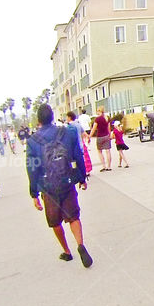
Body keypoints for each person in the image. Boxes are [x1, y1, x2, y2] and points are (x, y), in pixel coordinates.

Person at [26, 104, 92, 267]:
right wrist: (82, 177)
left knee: (55, 221)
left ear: (39, 120)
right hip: (67, 181)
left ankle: (67, 252)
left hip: (48, 187)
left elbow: (32, 167)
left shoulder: (33, 141)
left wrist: (34, 193)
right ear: (52, 116)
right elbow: (78, 154)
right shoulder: (66, 132)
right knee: (73, 216)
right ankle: (80, 245)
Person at [66, 111, 93, 177]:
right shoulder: (78, 125)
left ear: (69, 117)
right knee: (83, 158)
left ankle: (78, 173)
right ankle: (86, 171)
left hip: (73, 145)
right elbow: (84, 133)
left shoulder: (69, 126)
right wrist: (88, 137)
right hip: (81, 144)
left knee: (74, 160)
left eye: (67, 117)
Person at [88, 106, 113, 171]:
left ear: (99, 111)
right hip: (106, 135)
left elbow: (94, 129)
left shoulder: (97, 119)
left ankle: (103, 165)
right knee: (108, 151)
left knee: (99, 151)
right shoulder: (107, 118)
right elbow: (109, 128)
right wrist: (110, 135)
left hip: (100, 136)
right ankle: (109, 166)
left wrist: (90, 136)